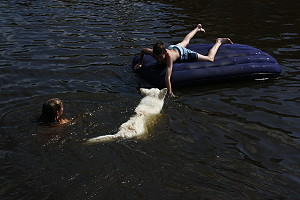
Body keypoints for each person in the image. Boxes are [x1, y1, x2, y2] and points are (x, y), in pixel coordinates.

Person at [134, 24, 233, 97]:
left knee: (210, 59)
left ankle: (219, 41)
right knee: (186, 41)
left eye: (160, 57)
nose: (158, 59)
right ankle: (198, 28)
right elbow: (143, 51)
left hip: (183, 53)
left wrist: (170, 93)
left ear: (164, 53)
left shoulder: (169, 57)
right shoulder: (153, 52)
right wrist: (140, 63)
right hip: (173, 47)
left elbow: (167, 77)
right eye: (156, 57)